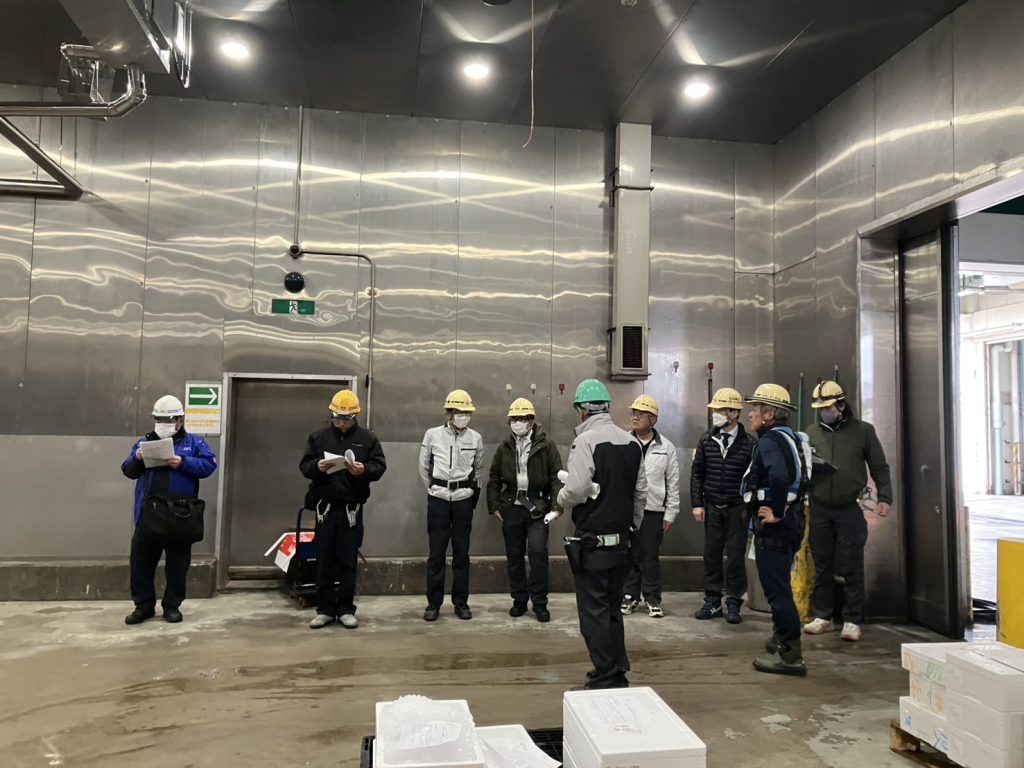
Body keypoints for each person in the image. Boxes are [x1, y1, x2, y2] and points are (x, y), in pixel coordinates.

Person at [558, 379, 646, 689]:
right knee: (612, 609)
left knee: (593, 612)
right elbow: (640, 493)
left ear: (582, 410)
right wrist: (632, 526)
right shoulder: (632, 443)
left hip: (594, 546)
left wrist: (561, 499)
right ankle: (617, 668)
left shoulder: (586, 442)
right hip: (623, 544)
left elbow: (577, 489)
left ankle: (606, 673)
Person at [803, 380, 892, 642]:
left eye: (828, 407)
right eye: (820, 408)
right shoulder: (811, 432)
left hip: (849, 508)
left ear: (841, 406)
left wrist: (885, 497)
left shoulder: (863, 431)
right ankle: (823, 615)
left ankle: (852, 620)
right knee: (822, 564)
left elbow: (879, 466)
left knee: (852, 564)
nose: (824, 412)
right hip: (819, 507)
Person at [121, 395, 217, 625]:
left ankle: (172, 606)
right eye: (159, 419)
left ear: (179, 420)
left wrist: (183, 462)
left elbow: (209, 465)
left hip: (180, 515)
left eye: (169, 419)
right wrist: (138, 458)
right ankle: (143, 606)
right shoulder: (144, 443)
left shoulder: (194, 443)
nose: (163, 423)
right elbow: (128, 470)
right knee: (141, 563)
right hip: (149, 515)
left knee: (177, 566)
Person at [299, 389, 387, 629]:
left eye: (345, 418)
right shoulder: (318, 437)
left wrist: (363, 470)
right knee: (324, 559)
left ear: (355, 416)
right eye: (337, 417)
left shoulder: (368, 439)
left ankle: (346, 609)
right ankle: (325, 609)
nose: (340, 422)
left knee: (348, 559)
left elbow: (379, 466)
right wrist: (317, 466)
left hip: (351, 509)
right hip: (325, 508)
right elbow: (304, 466)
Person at [744, 383, 809, 677]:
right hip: (794, 523)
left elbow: (779, 477)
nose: (750, 414)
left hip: (777, 528)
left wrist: (777, 512)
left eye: (755, 409)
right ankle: (779, 638)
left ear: (769, 414)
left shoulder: (770, 441)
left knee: (777, 592)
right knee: (780, 585)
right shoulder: (791, 438)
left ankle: (791, 656)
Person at [487, 398, 564, 622]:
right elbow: (494, 479)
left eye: (522, 418)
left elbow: (556, 478)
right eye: (514, 419)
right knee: (514, 557)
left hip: (537, 508)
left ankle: (539, 603)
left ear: (531, 421)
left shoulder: (546, 446)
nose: (517, 423)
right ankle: (519, 600)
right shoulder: (504, 448)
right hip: (512, 508)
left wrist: (557, 506)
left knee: (538, 555)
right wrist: (494, 506)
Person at [690, 387, 756, 624]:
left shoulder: (749, 443)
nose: (715, 414)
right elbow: (697, 473)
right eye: (715, 409)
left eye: (720, 409)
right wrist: (697, 504)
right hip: (712, 507)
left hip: (738, 508)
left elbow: (754, 478)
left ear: (734, 413)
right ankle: (712, 601)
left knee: (735, 556)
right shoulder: (707, 439)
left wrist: (750, 506)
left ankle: (734, 602)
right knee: (711, 555)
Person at [418, 389, 484, 622]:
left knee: (461, 554)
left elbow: (478, 468)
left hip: (463, 500)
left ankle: (461, 602)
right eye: (460, 412)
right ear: (449, 413)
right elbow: (424, 466)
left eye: (467, 413)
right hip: (438, 499)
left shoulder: (475, 438)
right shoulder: (432, 435)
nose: (464, 416)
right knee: (436, 554)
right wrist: (434, 488)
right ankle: (433, 603)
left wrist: (470, 492)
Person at [621, 394, 679, 619]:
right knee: (629, 554)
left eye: (641, 414)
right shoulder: (623, 442)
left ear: (653, 419)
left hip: (654, 510)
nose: (635, 418)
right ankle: (629, 596)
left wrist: (671, 512)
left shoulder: (666, 447)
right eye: (633, 413)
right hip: (628, 509)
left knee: (650, 556)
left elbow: (673, 481)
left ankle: (652, 598)